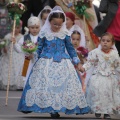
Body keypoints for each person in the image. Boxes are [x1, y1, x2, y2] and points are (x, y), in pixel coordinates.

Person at [17, 6, 90, 118]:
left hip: (63, 62)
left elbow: (71, 50)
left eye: (59, 24)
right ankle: (50, 109)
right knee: (46, 85)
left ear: (63, 24)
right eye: (54, 24)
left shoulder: (65, 34)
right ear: (49, 21)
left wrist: (77, 63)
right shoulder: (44, 33)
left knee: (63, 86)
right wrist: (33, 56)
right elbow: (39, 49)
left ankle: (63, 106)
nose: (57, 26)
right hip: (45, 61)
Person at [80, 32, 120, 119]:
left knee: (108, 95)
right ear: (100, 41)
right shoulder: (95, 52)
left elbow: (117, 65)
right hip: (98, 77)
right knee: (98, 94)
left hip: (110, 78)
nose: (105, 42)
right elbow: (90, 63)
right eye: (103, 40)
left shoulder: (114, 54)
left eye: (108, 41)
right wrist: (83, 68)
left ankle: (107, 113)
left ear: (112, 43)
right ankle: (97, 109)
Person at [14, 16, 40, 87]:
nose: (34, 30)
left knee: (38, 80)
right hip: (27, 62)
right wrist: (15, 43)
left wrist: (34, 55)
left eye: (37, 27)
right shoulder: (25, 38)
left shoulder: (41, 38)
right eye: (32, 27)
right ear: (28, 27)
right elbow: (19, 50)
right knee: (26, 79)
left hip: (38, 62)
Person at [0, 21, 24, 90]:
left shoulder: (21, 37)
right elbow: (5, 47)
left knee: (17, 69)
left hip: (18, 55)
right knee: (8, 69)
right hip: (9, 55)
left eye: (17, 28)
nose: (15, 29)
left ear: (20, 28)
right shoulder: (8, 36)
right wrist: (4, 48)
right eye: (14, 27)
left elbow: (22, 48)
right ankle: (8, 84)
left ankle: (17, 84)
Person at [71, 25, 88, 92]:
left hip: (81, 72)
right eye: (73, 39)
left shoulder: (83, 51)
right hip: (72, 72)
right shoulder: (68, 51)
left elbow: (85, 62)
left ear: (80, 40)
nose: (75, 41)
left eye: (77, 39)